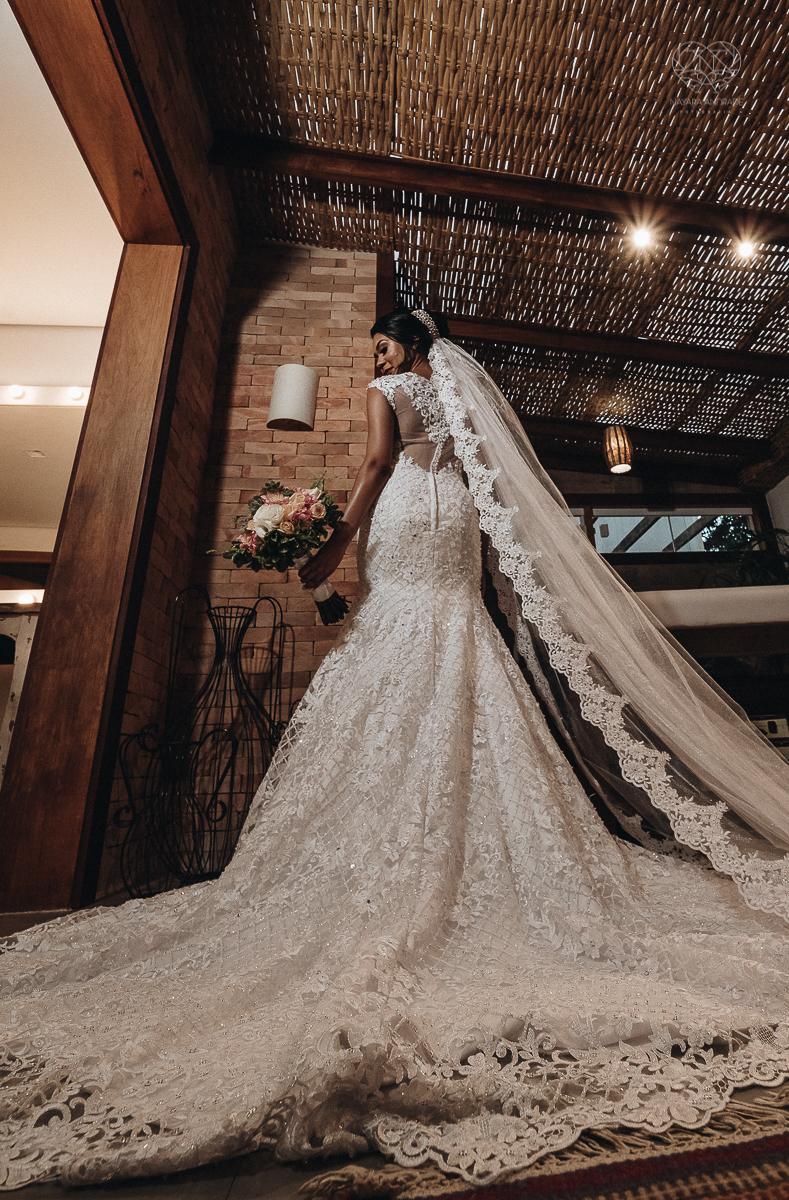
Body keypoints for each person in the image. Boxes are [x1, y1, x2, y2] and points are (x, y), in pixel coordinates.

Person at [2, 309, 789, 1192]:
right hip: (449, 519)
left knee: (399, 637)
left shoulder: (390, 390)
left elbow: (377, 464)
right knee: (456, 646)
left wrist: (333, 543)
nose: (372, 357)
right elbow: (476, 486)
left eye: (381, 344)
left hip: (409, 514)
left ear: (407, 348)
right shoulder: (458, 407)